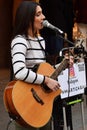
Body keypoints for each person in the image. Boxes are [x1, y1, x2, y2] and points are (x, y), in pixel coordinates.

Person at [11, 1, 74, 130]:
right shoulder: (20, 41)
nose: (43, 17)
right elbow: (20, 72)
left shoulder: (40, 41)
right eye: (39, 14)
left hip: (42, 103)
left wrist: (64, 65)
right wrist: (46, 80)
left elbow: (43, 71)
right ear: (28, 18)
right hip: (26, 102)